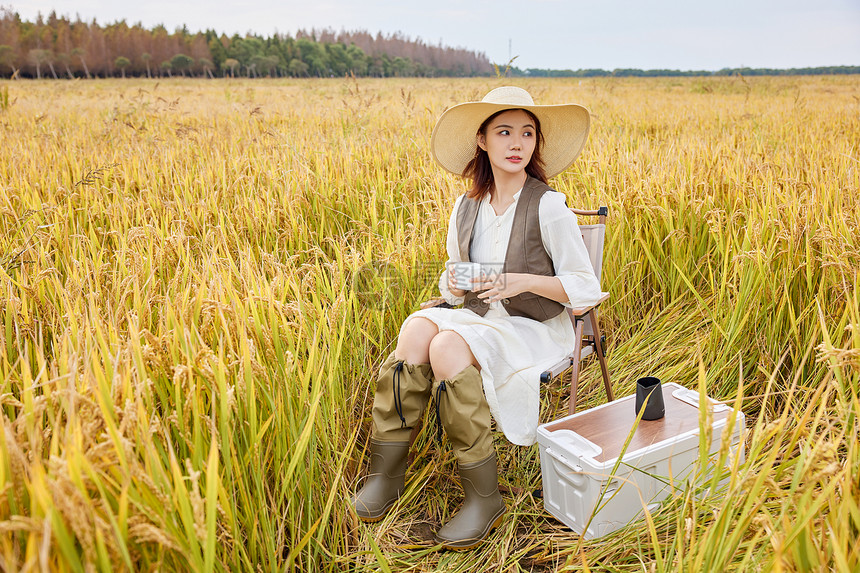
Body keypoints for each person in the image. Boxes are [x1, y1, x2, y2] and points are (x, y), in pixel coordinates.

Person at [350, 86, 604, 550]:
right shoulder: (466, 207)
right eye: (504, 132)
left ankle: (483, 498)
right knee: (414, 328)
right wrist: (454, 286)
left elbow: (585, 289)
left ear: (535, 144)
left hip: (536, 327)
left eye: (527, 133)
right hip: (482, 316)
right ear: (482, 141)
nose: (517, 143)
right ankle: (385, 474)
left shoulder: (549, 205)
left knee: (445, 346)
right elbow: (456, 281)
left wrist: (521, 281)